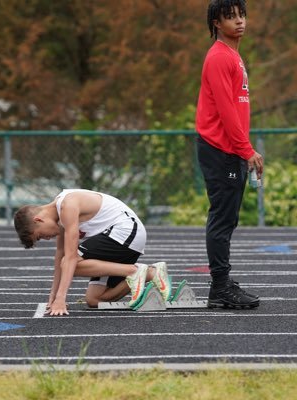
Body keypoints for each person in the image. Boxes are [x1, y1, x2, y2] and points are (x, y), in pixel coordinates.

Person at [195, 0, 263, 308]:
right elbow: (225, 111)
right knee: (222, 219)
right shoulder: (219, 57)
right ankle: (220, 288)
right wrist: (247, 150)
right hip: (221, 150)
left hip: (230, 150)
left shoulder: (233, 56)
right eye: (230, 17)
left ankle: (222, 283)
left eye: (241, 15)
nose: (239, 21)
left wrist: (243, 148)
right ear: (216, 23)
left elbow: (236, 109)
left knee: (228, 218)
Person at [14, 189, 171, 316]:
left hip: (126, 231)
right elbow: (59, 256)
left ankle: (134, 271)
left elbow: (69, 258)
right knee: (95, 300)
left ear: (38, 220)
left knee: (71, 263)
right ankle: (151, 273)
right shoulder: (59, 218)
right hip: (118, 239)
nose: (47, 238)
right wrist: (53, 296)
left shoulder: (67, 206)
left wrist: (61, 299)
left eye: (41, 235)